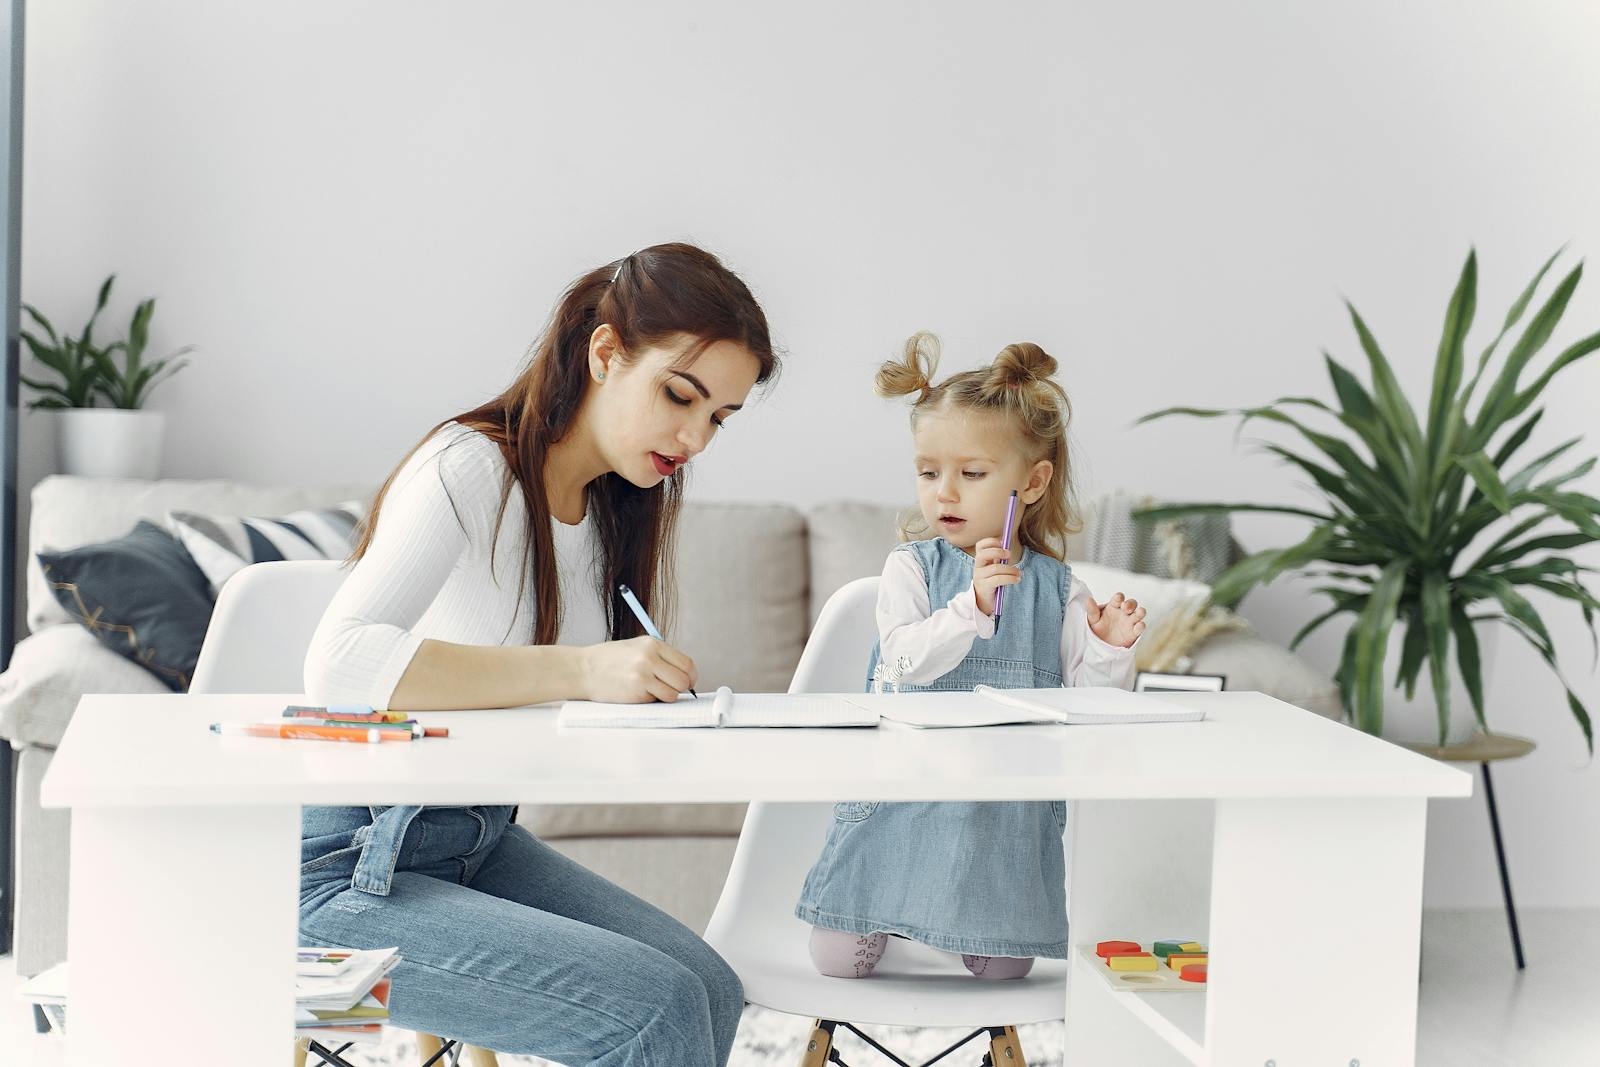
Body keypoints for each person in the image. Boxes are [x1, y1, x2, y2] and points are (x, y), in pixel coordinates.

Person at [299, 243, 777, 1063]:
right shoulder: (468, 466)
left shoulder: (607, 510)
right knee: (654, 1007)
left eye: (718, 419)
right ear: (604, 353)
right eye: (680, 396)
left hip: (472, 844)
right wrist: (586, 669)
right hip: (344, 875)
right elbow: (339, 664)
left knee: (708, 985)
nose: (695, 437)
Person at [794, 332, 1144, 980]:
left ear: (1032, 482)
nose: (944, 494)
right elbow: (900, 662)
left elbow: (1090, 708)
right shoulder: (912, 567)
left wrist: (1109, 649)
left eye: (972, 473)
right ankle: (886, 916)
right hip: (902, 796)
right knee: (834, 960)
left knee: (1007, 969)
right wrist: (971, 609)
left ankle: (959, 923)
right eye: (929, 472)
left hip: (999, 815)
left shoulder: (1061, 588)